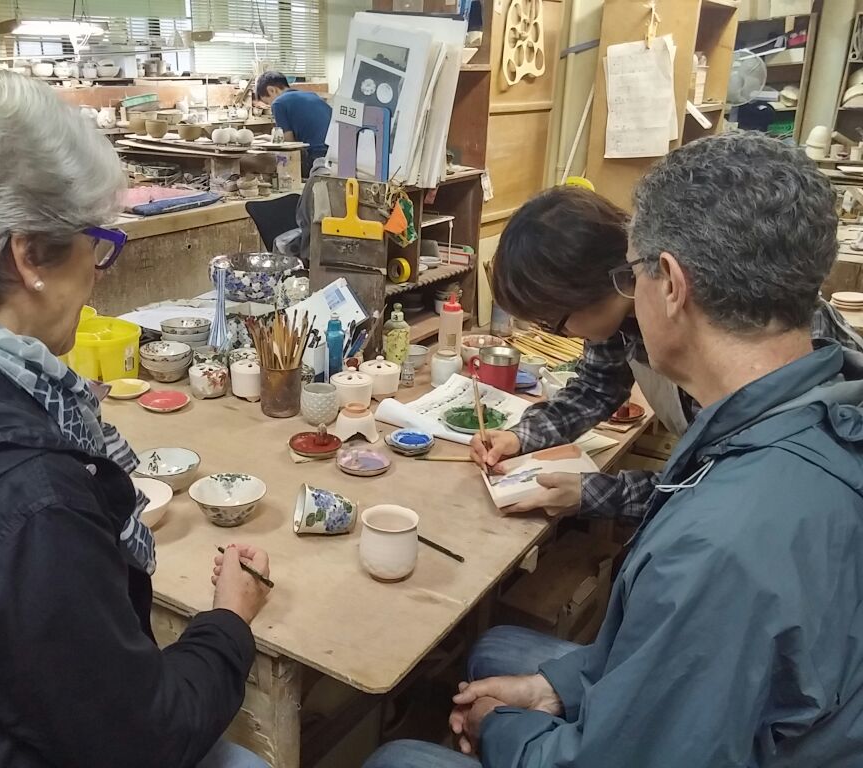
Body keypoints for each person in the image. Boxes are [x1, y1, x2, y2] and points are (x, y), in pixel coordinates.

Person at [365, 132, 863, 767]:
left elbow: (636, 747)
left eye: (634, 270)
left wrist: (502, 731)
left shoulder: (723, 542)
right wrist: (557, 689)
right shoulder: (797, 390)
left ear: (670, 283)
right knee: (501, 655)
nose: (629, 287)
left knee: (396, 760)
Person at [0, 70, 268, 768]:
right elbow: (145, 739)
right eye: (95, 241)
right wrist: (229, 621)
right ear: (29, 255)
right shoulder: (27, 497)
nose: (99, 268)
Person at [470, 183, 863, 522]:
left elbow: (720, 487)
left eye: (556, 321)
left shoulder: (747, 336)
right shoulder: (624, 305)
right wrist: (521, 437)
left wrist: (596, 494)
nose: (561, 333)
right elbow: (597, 388)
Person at [255, 70, 332, 174]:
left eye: (267, 102)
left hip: (316, 157)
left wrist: (267, 141)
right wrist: (269, 137)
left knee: (269, 164)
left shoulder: (278, 103)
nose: (270, 105)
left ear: (272, 90)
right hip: (336, 155)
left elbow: (289, 144)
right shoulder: (312, 95)